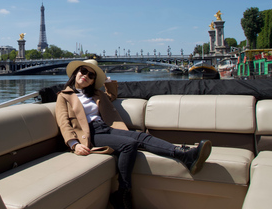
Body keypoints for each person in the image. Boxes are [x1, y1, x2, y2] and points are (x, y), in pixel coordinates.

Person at [55, 59, 212, 209]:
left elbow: (112, 96)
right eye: (83, 71)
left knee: (142, 136)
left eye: (91, 75)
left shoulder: (96, 94)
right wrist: (74, 145)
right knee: (129, 145)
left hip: (105, 128)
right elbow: (64, 122)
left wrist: (107, 80)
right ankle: (122, 193)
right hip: (90, 134)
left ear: (92, 81)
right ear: (75, 73)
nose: (86, 76)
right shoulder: (63, 96)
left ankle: (183, 154)